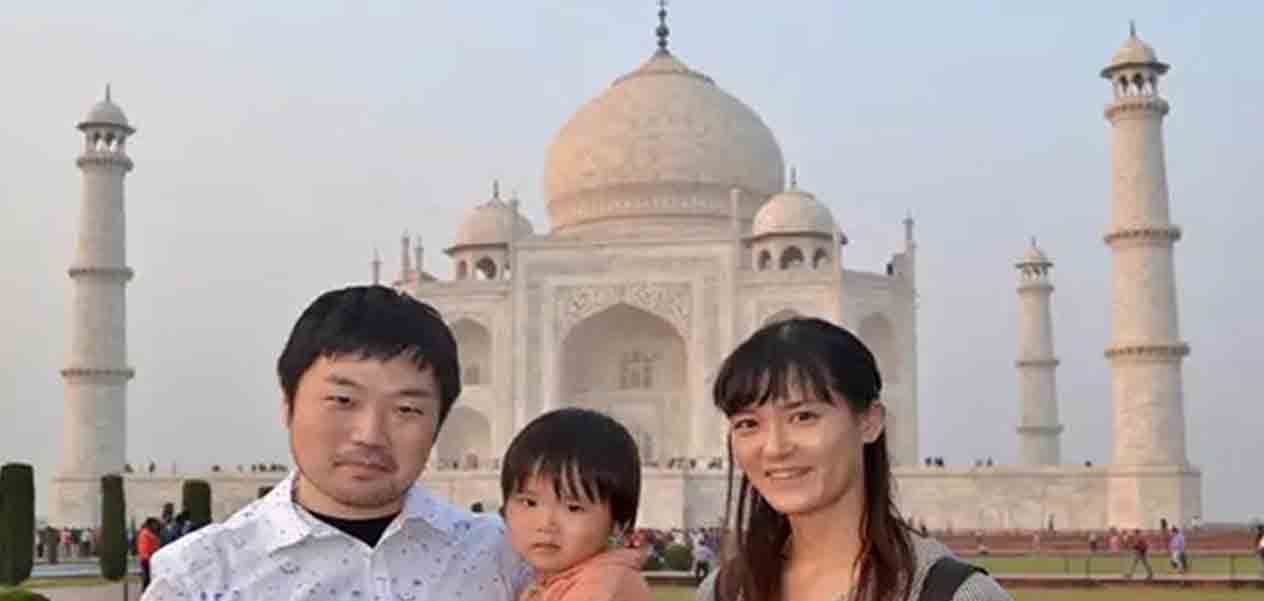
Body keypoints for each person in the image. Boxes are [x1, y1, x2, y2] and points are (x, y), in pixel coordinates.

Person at [144, 285, 528, 600]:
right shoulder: (202, 579)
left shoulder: (501, 558)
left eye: (407, 409)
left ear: (439, 423)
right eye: (343, 401)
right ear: (288, 405)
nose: (370, 435)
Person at [697, 318, 1010, 601]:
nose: (774, 447)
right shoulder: (724, 592)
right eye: (748, 424)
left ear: (869, 423)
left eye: (803, 416)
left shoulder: (952, 595)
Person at [501, 407, 651, 601]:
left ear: (617, 523)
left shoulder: (601, 586)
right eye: (530, 503)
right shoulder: (554, 582)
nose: (546, 524)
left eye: (573, 508)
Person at [136, 518, 162, 591]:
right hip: (147, 559)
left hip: (150, 559)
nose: (157, 526)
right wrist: (148, 558)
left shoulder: (151, 533)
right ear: (150, 524)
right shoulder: (146, 534)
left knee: (150, 579)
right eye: (155, 524)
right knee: (147, 579)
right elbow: (144, 548)